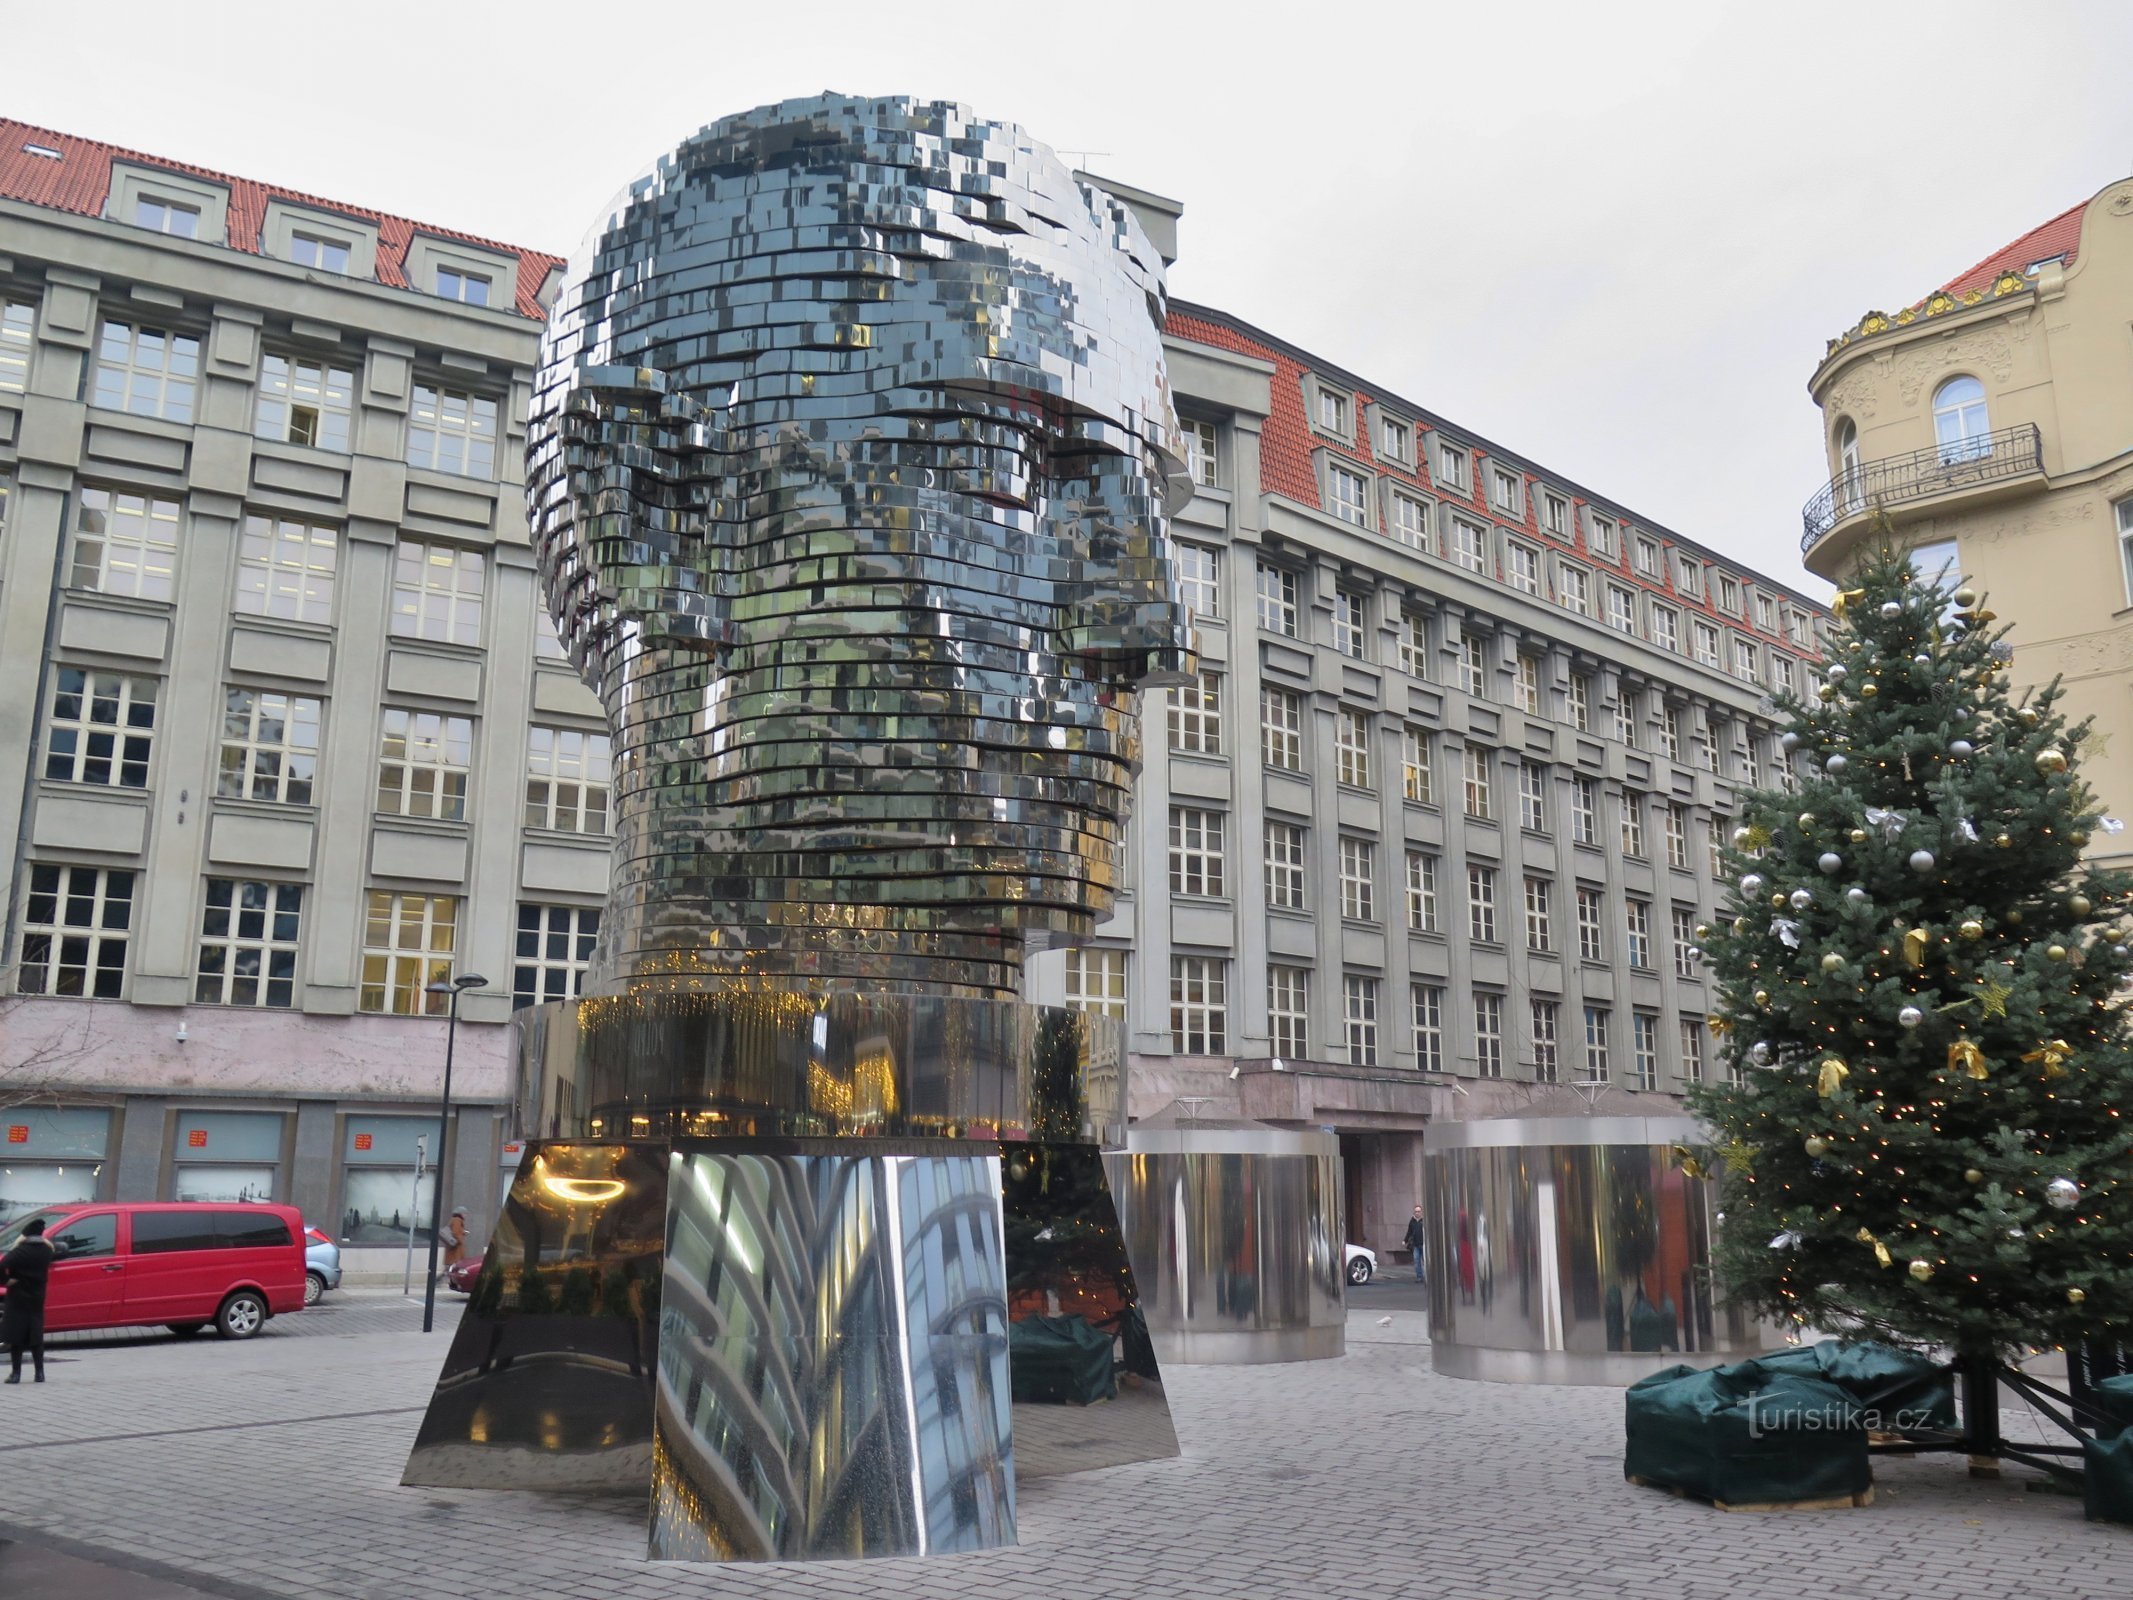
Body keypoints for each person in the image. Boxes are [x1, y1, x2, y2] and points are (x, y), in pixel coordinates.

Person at [3, 1216, 57, 1384]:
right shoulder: (47, 1251)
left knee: (16, 1335)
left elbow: (2, 1265)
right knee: (36, 1335)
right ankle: (39, 1373)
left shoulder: (19, 1252)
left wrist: (6, 1281)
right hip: (37, 1297)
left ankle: (16, 1374)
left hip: (18, 1297)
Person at [1403, 1205, 1428, 1285]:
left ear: (1421, 1212)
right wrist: (1405, 1240)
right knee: (1417, 1261)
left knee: (1426, 1262)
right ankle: (1419, 1277)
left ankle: (1427, 1276)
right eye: (1416, 1211)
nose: (1417, 1213)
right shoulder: (1412, 1221)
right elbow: (1409, 1232)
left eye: (1418, 1211)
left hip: (1424, 1244)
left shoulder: (1424, 1221)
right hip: (1416, 1245)